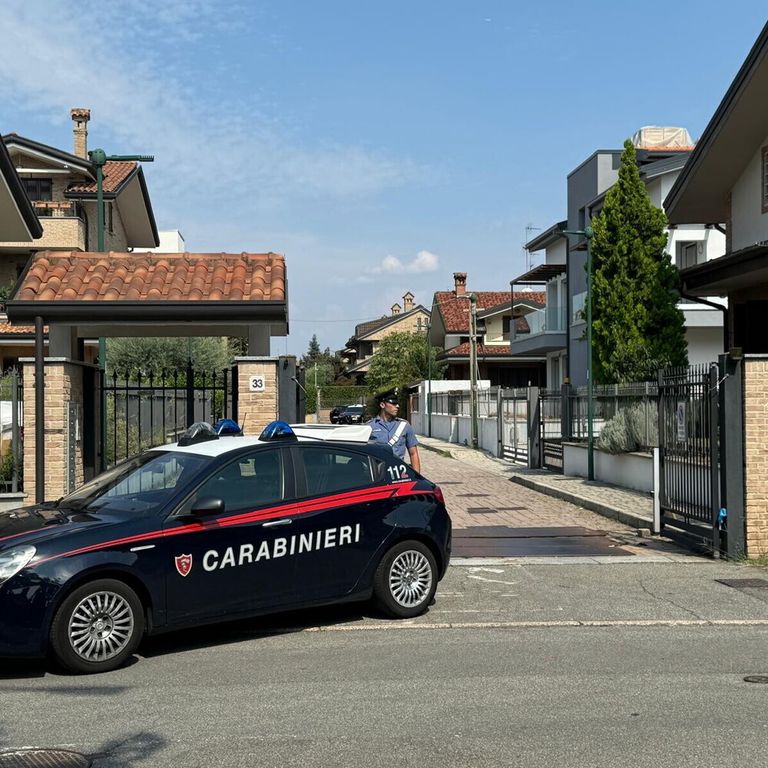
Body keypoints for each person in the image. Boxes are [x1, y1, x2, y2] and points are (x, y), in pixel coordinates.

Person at [367, 389, 421, 473]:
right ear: (382, 405)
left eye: (397, 403)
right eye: (393, 403)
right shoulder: (369, 427)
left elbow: (413, 453)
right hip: (378, 475)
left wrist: (418, 477)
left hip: (399, 474)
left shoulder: (404, 426)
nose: (398, 406)